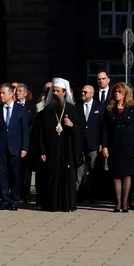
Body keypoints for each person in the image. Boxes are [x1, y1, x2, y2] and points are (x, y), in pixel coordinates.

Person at [33, 78, 82, 212]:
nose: (55, 93)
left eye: (58, 91)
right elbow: (39, 134)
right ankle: (51, 205)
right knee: (51, 178)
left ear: (64, 92)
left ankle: (67, 205)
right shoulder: (45, 112)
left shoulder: (73, 110)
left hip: (67, 151)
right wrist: (42, 151)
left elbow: (80, 131)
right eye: (53, 91)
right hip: (51, 151)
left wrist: (71, 126)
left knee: (67, 177)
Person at [0, 82, 29, 211]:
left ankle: (15, 200)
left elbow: (25, 131)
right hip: (1, 148)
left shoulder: (20, 110)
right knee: (3, 176)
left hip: (16, 148)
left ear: (11, 94)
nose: (1, 95)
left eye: (3, 93)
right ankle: (5, 199)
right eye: (0, 93)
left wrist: (24, 148)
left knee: (16, 175)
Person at [103, 82, 134, 213]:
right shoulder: (110, 108)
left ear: (125, 94)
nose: (117, 94)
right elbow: (105, 129)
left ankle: (125, 202)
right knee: (116, 174)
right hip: (114, 144)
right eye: (115, 92)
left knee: (127, 174)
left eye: (119, 92)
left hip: (128, 144)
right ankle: (118, 202)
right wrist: (104, 146)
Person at [74, 84, 106, 205]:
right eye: (82, 92)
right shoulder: (77, 107)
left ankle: (94, 195)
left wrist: (102, 143)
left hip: (94, 144)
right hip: (80, 144)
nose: (83, 94)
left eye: (85, 92)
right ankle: (78, 195)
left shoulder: (99, 107)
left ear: (92, 94)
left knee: (94, 170)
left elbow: (103, 127)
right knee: (79, 170)